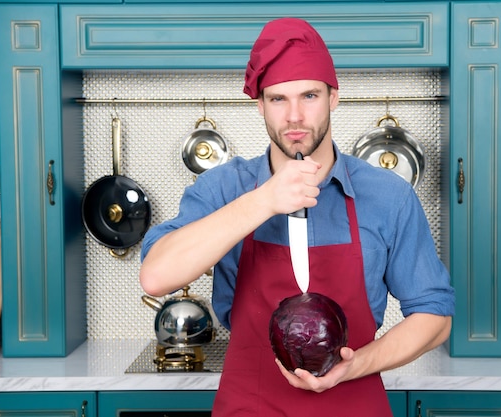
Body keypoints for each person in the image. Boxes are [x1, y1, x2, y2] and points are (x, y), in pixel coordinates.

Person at [140, 17, 455, 417]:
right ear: (260, 105)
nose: (294, 116)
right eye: (277, 99)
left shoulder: (388, 196)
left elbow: (435, 317)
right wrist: (264, 200)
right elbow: (156, 275)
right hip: (251, 406)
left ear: (333, 97)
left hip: (354, 404)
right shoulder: (224, 188)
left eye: (309, 96)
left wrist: (356, 364)